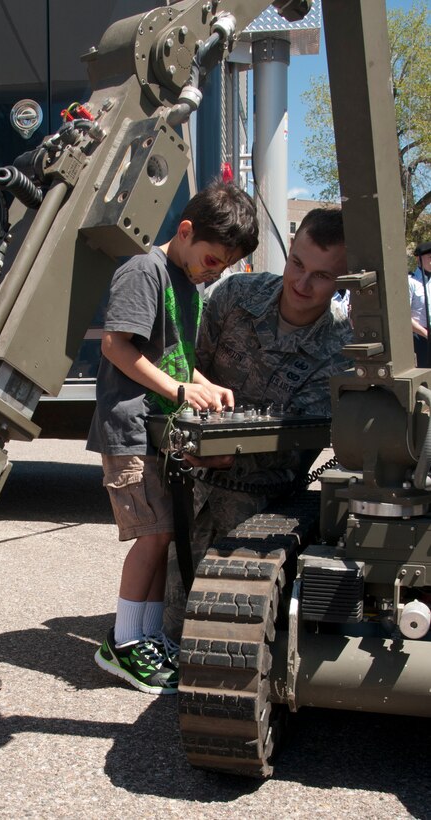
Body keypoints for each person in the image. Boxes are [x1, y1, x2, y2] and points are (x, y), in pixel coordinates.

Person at [87, 179, 259, 694]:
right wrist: (181, 389)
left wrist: (207, 386)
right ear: (185, 232)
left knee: (161, 538)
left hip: (159, 429)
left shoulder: (188, 282)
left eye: (224, 266)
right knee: (151, 537)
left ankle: (147, 637)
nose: (215, 271)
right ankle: (121, 644)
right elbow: (117, 347)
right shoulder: (145, 270)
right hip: (131, 426)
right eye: (212, 259)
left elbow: (175, 359)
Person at [163, 206, 354, 642]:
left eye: (322, 276)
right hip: (191, 485)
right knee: (175, 633)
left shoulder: (340, 347)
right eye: (297, 264)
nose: (301, 284)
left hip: (263, 507)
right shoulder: (235, 297)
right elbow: (184, 368)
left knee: (229, 639)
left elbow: (300, 439)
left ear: (344, 280)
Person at [410, 241, 431, 366]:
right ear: (418, 258)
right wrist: (426, 334)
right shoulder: (410, 281)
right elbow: (404, 316)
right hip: (419, 337)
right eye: (430, 258)